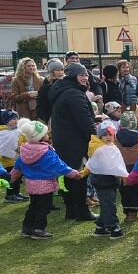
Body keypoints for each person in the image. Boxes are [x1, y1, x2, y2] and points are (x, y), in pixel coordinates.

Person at [11, 118, 80, 239]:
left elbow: (18, 166)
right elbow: (59, 166)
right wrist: (73, 173)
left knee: (33, 206)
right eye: (46, 133)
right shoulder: (46, 152)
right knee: (43, 207)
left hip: (31, 184)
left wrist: (12, 176)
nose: (49, 135)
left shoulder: (24, 151)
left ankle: (27, 228)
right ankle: (39, 229)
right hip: (45, 185)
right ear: (41, 137)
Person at [46, 62, 97, 221]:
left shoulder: (62, 91)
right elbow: (84, 121)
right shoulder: (74, 94)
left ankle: (71, 210)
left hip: (63, 140)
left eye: (86, 75)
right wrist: (96, 139)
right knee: (79, 176)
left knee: (67, 175)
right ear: (73, 76)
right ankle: (82, 211)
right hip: (76, 142)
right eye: (81, 75)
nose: (85, 78)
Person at [85, 123, 128, 239]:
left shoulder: (111, 147)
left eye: (110, 134)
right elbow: (103, 165)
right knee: (109, 205)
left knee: (107, 204)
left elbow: (117, 164)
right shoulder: (100, 149)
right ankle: (114, 228)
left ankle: (101, 226)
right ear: (100, 136)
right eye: (105, 135)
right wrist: (124, 176)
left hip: (111, 181)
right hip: (103, 181)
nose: (108, 137)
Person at [116, 109, 138, 222]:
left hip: (122, 168)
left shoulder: (116, 139)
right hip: (136, 168)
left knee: (124, 190)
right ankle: (134, 213)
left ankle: (127, 213)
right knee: (137, 190)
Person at [0, 110, 26, 202]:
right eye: (13, 119)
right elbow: (4, 146)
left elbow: (23, 140)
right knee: (11, 178)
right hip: (8, 161)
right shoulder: (3, 132)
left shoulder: (18, 130)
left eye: (17, 118)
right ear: (7, 120)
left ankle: (16, 192)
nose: (16, 121)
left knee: (18, 178)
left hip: (18, 159)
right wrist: (14, 149)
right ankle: (9, 195)